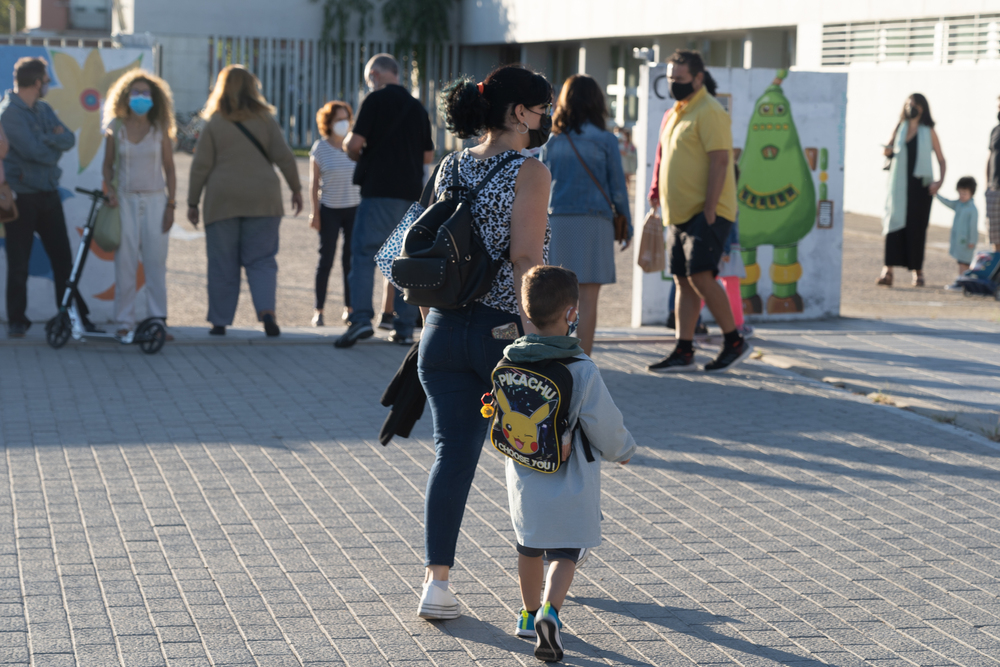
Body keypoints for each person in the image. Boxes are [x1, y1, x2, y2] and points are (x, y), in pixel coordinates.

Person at [416, 64, 552, 621]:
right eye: (541, 109)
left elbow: (422, 248)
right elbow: (525, 259)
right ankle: (545, 584)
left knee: (452, 456)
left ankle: (436, 583)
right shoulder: (531, 171)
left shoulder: (450, 164)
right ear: (519, 113)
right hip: (501, 332)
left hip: (443, 331)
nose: (544, 120)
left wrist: (430, 320)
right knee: (533, 456)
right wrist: (542, 337)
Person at [502, 265, 636, 662]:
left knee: (528, 546)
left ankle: (527, 616)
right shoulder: (581, 368)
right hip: (571, 474)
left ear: (527, 313)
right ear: (571, 313)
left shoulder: (511, 358)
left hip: (525, 471)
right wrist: (622, 450)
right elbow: (604, 422)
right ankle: (551, 611)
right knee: (564, 552)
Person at [646, 50, 752, 374]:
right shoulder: (676, 111)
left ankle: (734, 341)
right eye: (670, 78)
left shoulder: (710, 111)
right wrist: (655, 191)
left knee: (700, 275)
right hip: (678, 213)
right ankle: (684, 349)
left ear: (698, 78)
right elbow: (664, 156)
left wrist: (709, 208)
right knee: (683, 279)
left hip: (707, 212)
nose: (673, 84)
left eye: (679, 78)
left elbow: (721, 160)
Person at [187, 65, 302, 337]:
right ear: (253, 87)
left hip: (222, 201)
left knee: (222, 263)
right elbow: (284, 157)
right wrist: (296, 189)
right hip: (264, 199)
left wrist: (192, 202)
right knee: (262, 260)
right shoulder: (265, 120)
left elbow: (200, 166)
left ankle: (219, 321)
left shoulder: (214, 122)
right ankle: (267, 313)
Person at [335, 53, 434, 348]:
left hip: (377, 191)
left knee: (364, 255)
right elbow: (427, 155)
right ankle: (403, 327)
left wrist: (352, 151)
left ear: (376, 74)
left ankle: (361, 320)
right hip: (410, 195)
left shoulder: (374, 101)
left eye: (369, 78)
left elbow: (354, 144)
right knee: (404, 260)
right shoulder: (417, 107)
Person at [2, 57, 94, 338]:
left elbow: (68, 139)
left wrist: (46, 140)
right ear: (37, 82)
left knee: (63, 260)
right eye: (46, 79)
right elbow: (36, 153)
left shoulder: (43, 109)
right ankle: (17, 320)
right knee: (19, 262)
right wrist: (49, 141)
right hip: (22, 198)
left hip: (48, 195)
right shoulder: (8, 114)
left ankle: (71, 315)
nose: (49, 85)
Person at [540, 74, 631, 356]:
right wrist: (625, 223)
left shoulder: (552, 141)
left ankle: (555, 358)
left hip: (558, 221)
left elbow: (541, 184)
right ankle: (584, 362)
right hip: (596, 222)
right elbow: (617, 186)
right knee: (589, 298)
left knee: (557, 297)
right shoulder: (606, 139)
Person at [101, 70, 176, 340]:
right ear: (125, 96)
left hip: (156, 200)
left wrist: (171, 205)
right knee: (125, 264)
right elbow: (107, 166)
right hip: (124, 202)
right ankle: (124, 322)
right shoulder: (115, 128)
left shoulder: (159, 130)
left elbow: (170, 169)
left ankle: (157, 321)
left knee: (156, 264)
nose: (141, 97)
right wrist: (109, 191)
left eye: (146, 93)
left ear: (154, 98)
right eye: (136, 92)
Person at [878, 93, 945, 287]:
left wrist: (939, 181)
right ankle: (887, 270)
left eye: (915, 104)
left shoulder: (929, 131)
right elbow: (888, 148)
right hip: (898, 186)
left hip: (920, 187)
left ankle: (918, 272)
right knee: (893, 225)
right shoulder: (900, 127)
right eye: (908, 104)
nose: (911, 107)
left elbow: (941, 159)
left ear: (923, 108)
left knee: (917, 229)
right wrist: (888, 150)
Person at [309, 100, 360, 327]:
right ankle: (318, 310)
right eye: (338, 119)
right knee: (325, 261)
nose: (343, 123)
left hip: (354, 209)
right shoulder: (319, 148)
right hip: (329, 209)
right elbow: (313, 184)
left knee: (350, 262)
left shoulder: (357, 146)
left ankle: (349, 309)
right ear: (328, 123)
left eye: (345, 119)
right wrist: (314, 213)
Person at [936, 176, 979, 279]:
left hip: (967, 242)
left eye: (964, 193)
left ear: (971, 193)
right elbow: (948, 202)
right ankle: (964, 280)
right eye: (960, 193)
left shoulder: (972, 210)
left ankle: (962, 280)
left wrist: (972, 241)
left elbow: (973, 227)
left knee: (964, 262)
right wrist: (936, 195)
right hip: (959, 242)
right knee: (961, 261)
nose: (961, 196)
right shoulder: (958, 204)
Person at [985, 97, 1000, 253]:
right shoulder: (995, 130)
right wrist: (987, 186)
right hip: (994, 190)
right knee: (995, 237)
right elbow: (990, 158)